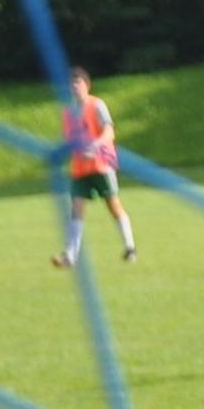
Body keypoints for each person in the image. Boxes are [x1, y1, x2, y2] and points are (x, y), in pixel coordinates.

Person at [51, 67, 137, 269]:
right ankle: (70, 256)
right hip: (80, 168)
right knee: (77, 208)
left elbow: (109, 131)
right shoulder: (68, 113)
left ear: (87, 85)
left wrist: (96, 145)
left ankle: (130, 247)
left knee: (113, 205)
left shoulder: (97, 105)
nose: (74, 87)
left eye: (78, 82)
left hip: (102, 164)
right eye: (71, 84)